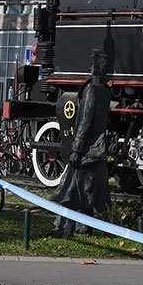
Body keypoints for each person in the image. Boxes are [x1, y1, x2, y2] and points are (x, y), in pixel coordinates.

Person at [49, 51, 112, 238]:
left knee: (69, 190)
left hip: (86, 150)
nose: (90, 67)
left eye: (93, 64)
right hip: (97, 149)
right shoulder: (105, 92)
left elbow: (85, 121)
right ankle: (84, 228)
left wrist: (76, 149)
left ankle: (63, 228)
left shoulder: (92, 90)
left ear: (98, 67)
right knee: (88, 191)